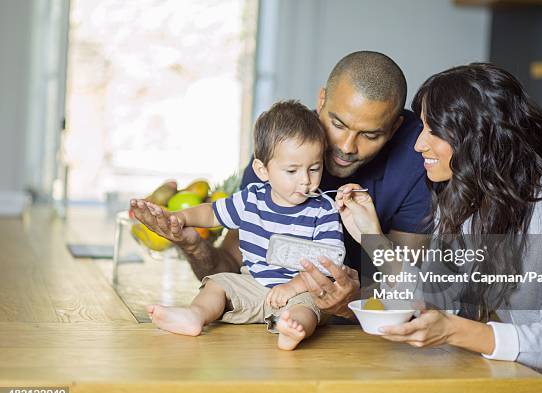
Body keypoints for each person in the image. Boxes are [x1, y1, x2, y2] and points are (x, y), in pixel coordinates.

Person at [306, 63, 542, 393]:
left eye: (433, 130)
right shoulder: (466, 203)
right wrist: (372, 237)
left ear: (478, 135)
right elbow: (442, 299)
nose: (419, 144)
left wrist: (452, 329)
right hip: (521, 379)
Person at [131, 51, 432, 320]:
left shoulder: (419, 156)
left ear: (394, 128)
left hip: (346, 327)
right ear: (321, 100)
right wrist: (192, 244)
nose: (346, 146)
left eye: (370, 135)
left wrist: (349, 301)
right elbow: (232, 265)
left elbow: (407, 292)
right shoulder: (284, 146)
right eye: (338, 124)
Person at [133, 101, 344, 350]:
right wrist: (180, 217)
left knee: (308, 308)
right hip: (253, 284)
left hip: (301, 289)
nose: (305, 181)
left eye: (314, 168)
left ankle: (291, 330)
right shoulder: (251, 198)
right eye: (292, 170)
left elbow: (330, 263)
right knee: (217, 283)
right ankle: (195, 315)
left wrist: (292, 287)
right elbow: (212, 213)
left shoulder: (324, 209)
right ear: (263, 170)